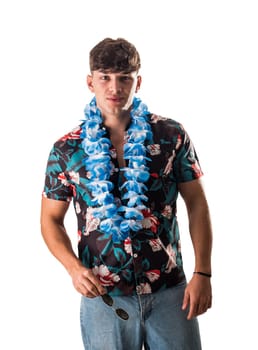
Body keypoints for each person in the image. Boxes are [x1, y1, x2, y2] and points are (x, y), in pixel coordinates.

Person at [40, 37, 213, 350]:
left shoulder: (171, 135)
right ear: (90, 82)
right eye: (105, 77)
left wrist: (203, 272)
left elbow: (197, 203)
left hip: (170, 290)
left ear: (139, 81)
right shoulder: (66, 149)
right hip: (104, 298)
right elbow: (50, 219)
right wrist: (73, 268)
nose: (114, 88)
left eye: (124, 78)